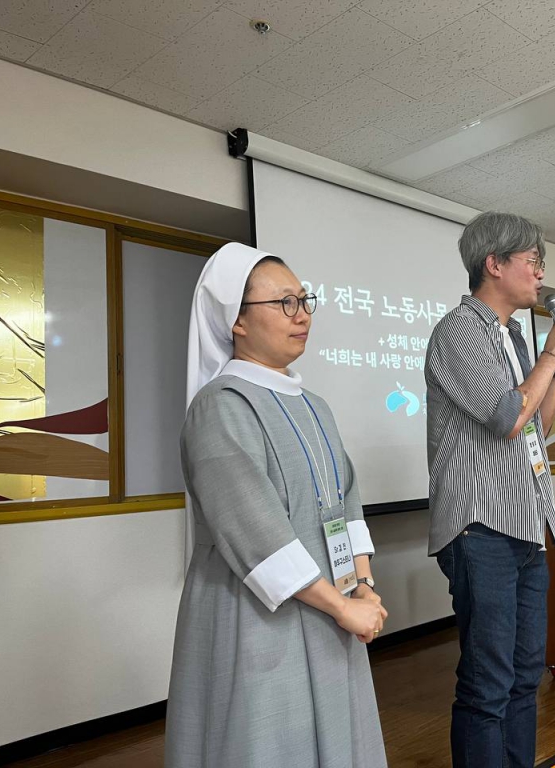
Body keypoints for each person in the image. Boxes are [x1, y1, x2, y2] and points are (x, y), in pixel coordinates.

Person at [165, 243, 388, 768]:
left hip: (334, 609)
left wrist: (364, 585)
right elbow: (254, 530)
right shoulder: (220, 406)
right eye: (284, 303)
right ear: (236, 322)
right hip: (258, 619)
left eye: (305, 300)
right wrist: (343, 607)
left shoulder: (314, 405)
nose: (303, 314)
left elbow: (346, 500)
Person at [425, 211, 555, 768]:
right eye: (532, 263)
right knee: (488, 684)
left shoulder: (515, 333)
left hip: (524, 525)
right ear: (494, 265)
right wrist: (550, 355)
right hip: (480, 528)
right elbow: (504, 417)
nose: (540, 275)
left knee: (523, 677)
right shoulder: (457, 330)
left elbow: (536, 428)